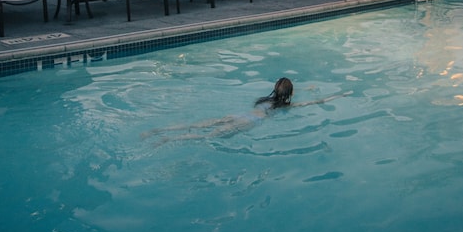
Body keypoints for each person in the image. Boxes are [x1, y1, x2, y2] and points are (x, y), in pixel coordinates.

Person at [142, 78, 350, 144]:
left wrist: (305, 88)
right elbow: (314, 103)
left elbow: (282, 91)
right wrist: (339, 96)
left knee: (200, 124)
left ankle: (158, 131)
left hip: (237, 115)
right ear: (289, 94)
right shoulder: (284, 105)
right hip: (250, 122)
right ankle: (168, 141)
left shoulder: (265, 99)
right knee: (208, 136)